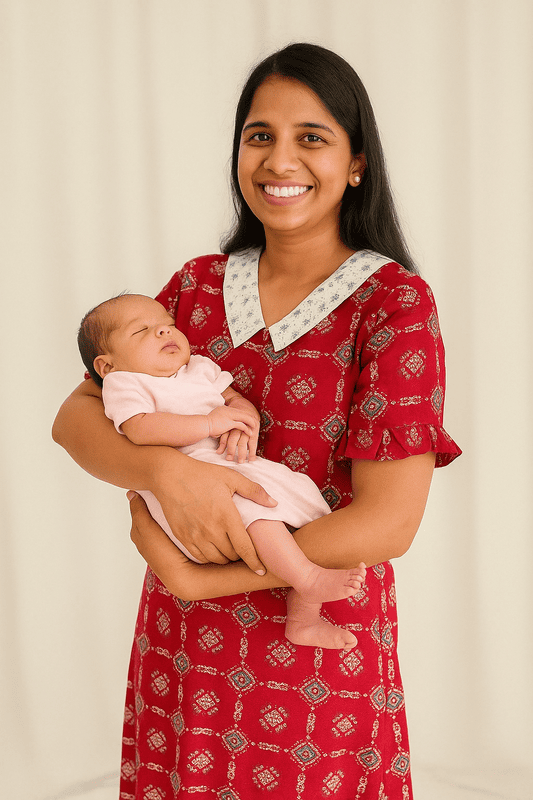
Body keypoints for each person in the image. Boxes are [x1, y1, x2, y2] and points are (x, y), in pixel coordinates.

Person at [53, 42, 461, 800]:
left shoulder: (393, 305)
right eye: (259, 135)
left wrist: (198, 575)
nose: (280, 160)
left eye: (311, 137)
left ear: (356, 162)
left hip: (311, 636)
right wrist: (166, 473)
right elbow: (77, 418)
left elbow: (387, 524)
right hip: (185, 649)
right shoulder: (196, 288)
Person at [78, 292, 367, 649]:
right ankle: (306, 577)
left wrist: (243, 415)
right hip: (189, 480)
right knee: (258, 516)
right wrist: (209, 423)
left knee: (307, 501)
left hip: (234, 464)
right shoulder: (125, 383)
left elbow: (233, 399)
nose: (164, 333)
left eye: (168, 325)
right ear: (106, 366)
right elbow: (139, 428)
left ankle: (303, 618)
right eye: (142, 331)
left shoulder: (199, 368)